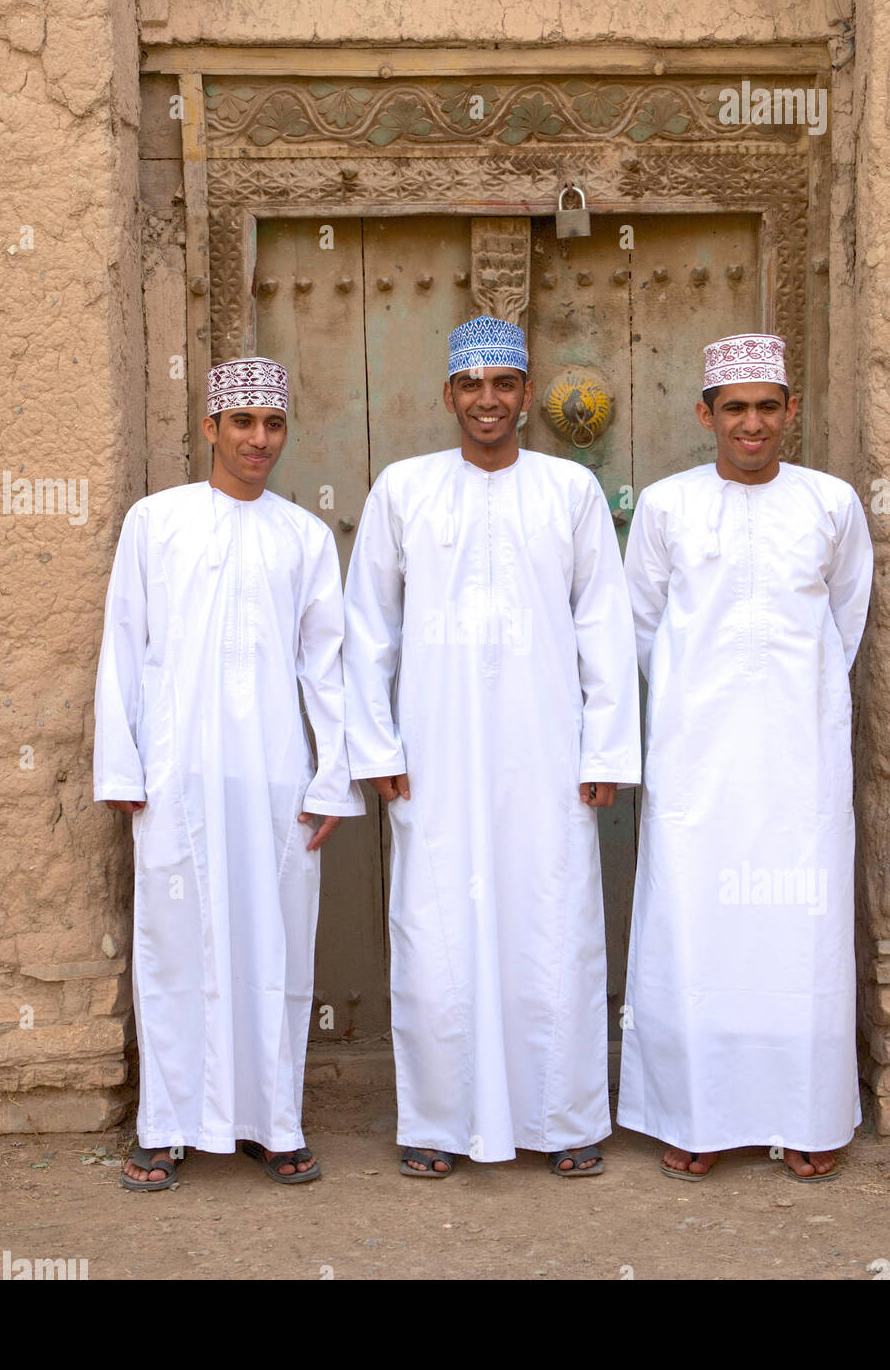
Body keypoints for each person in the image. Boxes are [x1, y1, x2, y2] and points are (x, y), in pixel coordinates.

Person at [342, 315, 640, 1178]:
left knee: (556, 923)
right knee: (435, 929)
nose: (487, 401)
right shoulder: (403, 488)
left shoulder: (569, 492)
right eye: (471, 386)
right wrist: (378, 746)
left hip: (548, 753)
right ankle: (438, 1122)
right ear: (448, 395)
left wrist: (605, 752)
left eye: (504, 385)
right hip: (432, 755)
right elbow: (370, 629)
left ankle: (564, 1118)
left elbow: (604, 625)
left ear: (524, 394)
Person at [93, 356, 364, 1191]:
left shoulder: (304, 536)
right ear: (210, 427)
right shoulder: (156, 521)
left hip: (274, 776)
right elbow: (125, 646)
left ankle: (271, 1122)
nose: (258, 439)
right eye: (242, 422)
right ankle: (166, 1125)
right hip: (176, 771)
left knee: (274, 945)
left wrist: (334, 778)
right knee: (174, 948)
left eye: (272, 424)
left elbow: (328, 666)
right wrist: (124, 762)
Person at [618, 333, 873, 1183]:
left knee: (800, 930)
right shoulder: (664, 507)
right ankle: (695, 1116)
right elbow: (643, 627)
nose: (753, 423)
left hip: (801, 754)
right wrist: (701, 703)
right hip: (698, 756)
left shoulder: (831, 503)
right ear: (706, 415)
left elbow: (843, 622)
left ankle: (807, 1114)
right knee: (695, 926)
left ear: (791, 411)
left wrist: (789, 701)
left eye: (769, 405)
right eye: (736, 407)